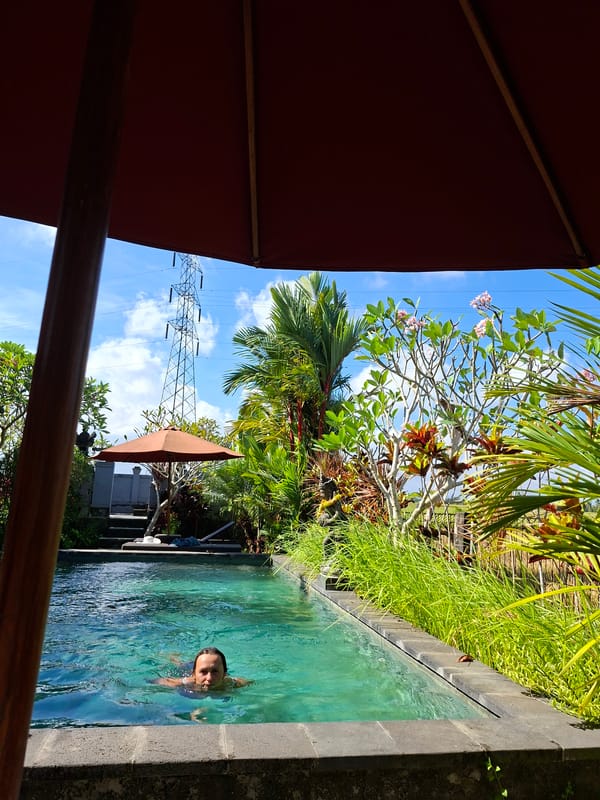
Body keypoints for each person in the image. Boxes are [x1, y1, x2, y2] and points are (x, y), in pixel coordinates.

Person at [154, 647, 249, 692]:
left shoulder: (233, 683)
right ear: (194, 674)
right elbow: (157, 681)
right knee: (181, 664)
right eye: (203, 672)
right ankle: (174, 658)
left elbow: (249, 682)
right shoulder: (185, 683)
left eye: (215, 671)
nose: (209, 678)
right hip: (189, 668)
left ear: (224, 674)